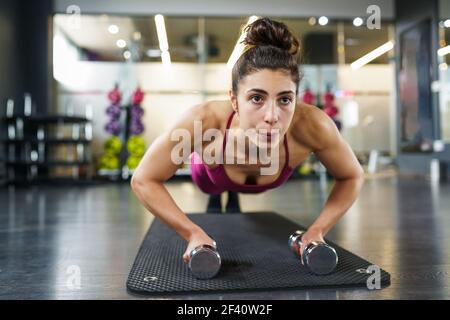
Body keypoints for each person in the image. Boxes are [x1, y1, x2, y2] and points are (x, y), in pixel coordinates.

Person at [131, 17, 364, 265]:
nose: (272, 117)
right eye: (256, 98)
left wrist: (317, 230)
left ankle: (232, 193)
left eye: (285, 99)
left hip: (256, 175)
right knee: (214, 188)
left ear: (296, 97)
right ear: (234, 100)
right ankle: (223, 191)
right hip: (211, 175)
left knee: (230, 192)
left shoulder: (313, 125)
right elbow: (144, 179)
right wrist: (193, 232)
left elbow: (352, 176)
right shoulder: (204, 120)